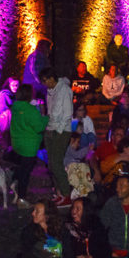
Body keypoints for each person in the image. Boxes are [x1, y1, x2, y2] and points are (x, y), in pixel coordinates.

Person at [18, 198, 96, 258]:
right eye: (34, 210)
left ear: (47, 216)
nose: (33, 213)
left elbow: (69, 254)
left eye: (37, 211)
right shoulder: (29, 231)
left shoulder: (61, 230)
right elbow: (27, 254)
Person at [41, 69, 76, 206]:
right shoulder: (50, 92)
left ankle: (66, 194)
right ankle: (60, 193)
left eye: (45, 81)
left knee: (56, 163)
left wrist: (60, 130)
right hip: (50, 129)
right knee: (51, 164)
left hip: (61, 131)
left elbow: (68, 112)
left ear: (51, 78)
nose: (44, 84)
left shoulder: (64, 90)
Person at [10, 83, 47, 206]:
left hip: (17, 143)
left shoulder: (15, 107)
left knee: (23, 168)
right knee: (26, 172)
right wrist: (46, 117)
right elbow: (39, 127)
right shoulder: (30, 110)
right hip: (29, 145)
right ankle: (21, 198)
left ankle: (15, 181)